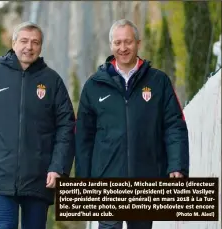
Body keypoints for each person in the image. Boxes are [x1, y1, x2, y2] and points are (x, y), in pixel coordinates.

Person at [75, 19, 189, 229]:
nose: (123, 48)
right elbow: (83, 137)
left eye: (128, 42)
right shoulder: (93, 86)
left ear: (138, 43)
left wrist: (177, 166)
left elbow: (174, 125)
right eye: (117, 43)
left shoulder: (158, 81)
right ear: (111, 46)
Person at [0, 21, 76, 229]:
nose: (29, 47)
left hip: (40, 177)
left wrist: (58, 167)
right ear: (13, 43)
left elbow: (66, 127)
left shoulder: (52, 81)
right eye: (24, 41)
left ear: (41, 47)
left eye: (35, 42)